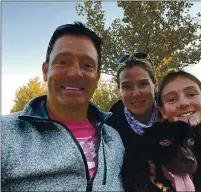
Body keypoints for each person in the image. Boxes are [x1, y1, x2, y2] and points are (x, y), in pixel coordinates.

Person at [1, 21, 124, 191]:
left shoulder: (114, 139)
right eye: (63, 62)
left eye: (87, 65)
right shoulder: (6, 133)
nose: (74, 73)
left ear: (97, 79)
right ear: (45, 71)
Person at [106, 53, 158, 190]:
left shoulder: (173, 115)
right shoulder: (109, 131)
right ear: (120, 91)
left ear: (155, 85)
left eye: (143, 84)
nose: (136, 93)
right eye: (127, 87)